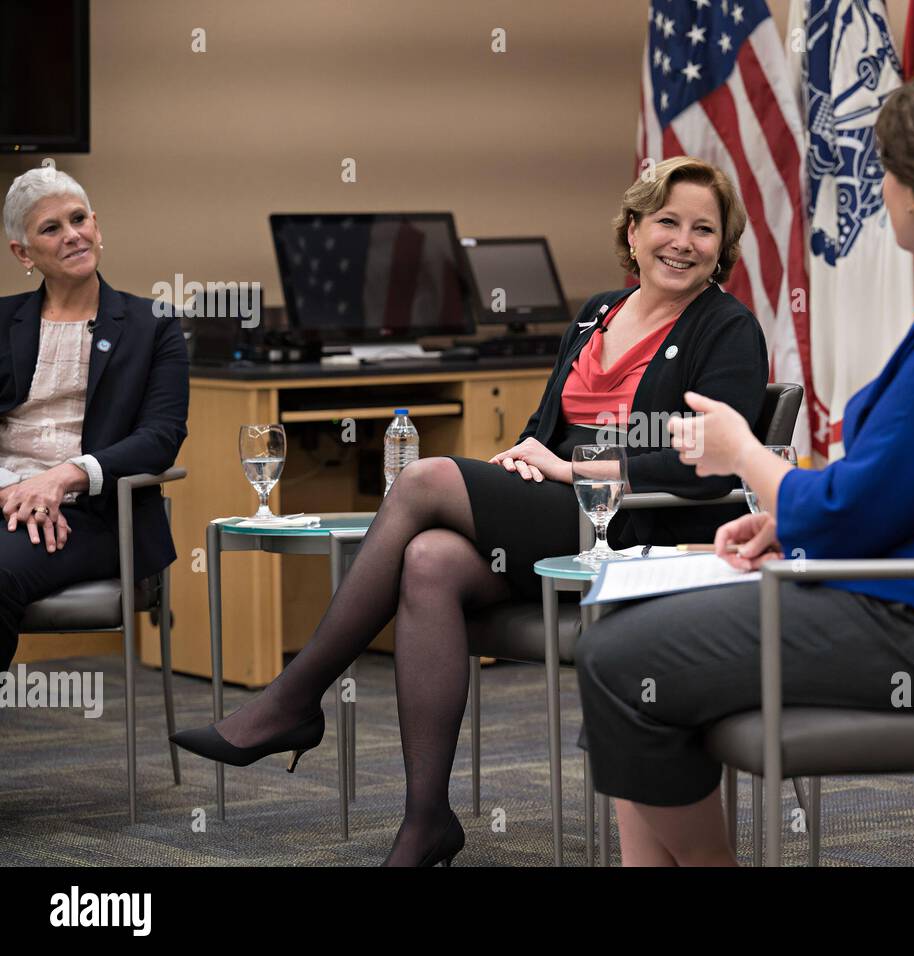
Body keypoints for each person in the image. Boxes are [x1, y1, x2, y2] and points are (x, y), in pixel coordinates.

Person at [574, 71, 914, 866]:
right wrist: (785, 517)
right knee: (634, 649)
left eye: (886, 169)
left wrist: (744, 456)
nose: (883, 186)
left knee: (618, 658)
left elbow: (849, 514)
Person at [170, 157, 770, 866]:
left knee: (422, 481)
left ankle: (292, 701)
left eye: (705, 230)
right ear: (634, 230)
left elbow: (710, 465)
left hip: (630, 524)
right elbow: (546, 427)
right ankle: (427, 820)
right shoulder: (596, 312)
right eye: (668, 222)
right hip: (554, 503)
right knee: (427, 562)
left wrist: (573, 468)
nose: (684, 241)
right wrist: (525, 455)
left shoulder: (726, 328)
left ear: (721, 249)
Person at [0, 169, 189, 672]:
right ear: (24, 253)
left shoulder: (154, 325)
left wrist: (64, 477)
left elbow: (160, 438)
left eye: (79, 219)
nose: (73, 235)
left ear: (97, 225)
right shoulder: (2, 323)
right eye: (51, 228)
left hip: (96, 516)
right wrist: (12, 491)